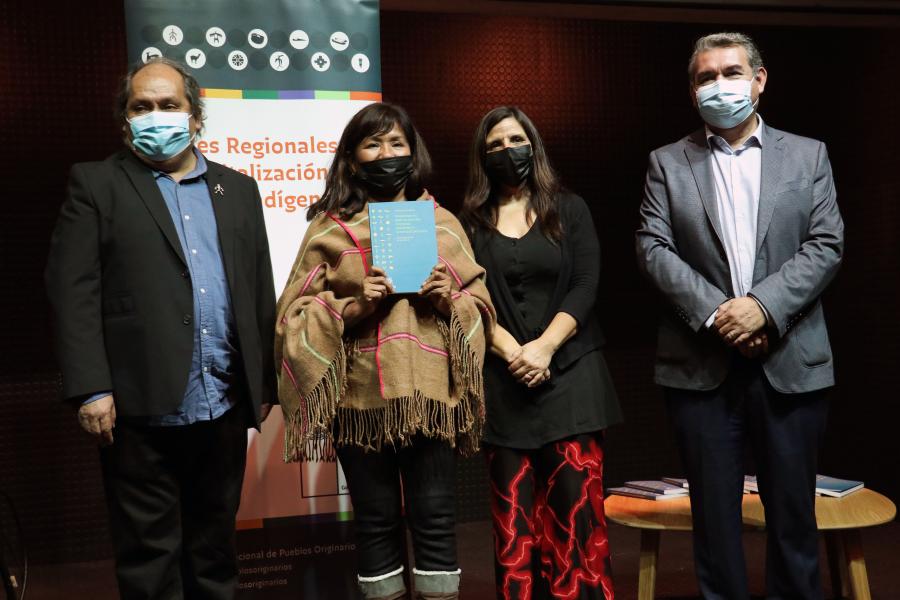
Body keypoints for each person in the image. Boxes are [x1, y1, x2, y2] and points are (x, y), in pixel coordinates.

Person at [44, 57, 277, 599]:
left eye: (169, 104)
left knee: (215, 551)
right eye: (141, 106)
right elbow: (71, 290)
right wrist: (91, 387)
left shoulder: (238, 188)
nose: (156, 115)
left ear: (195, 115)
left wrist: (263, 381)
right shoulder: (97, 183)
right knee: (150, 558)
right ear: (125, 119)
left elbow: (257, 289)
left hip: (221, 401)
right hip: (138, 405)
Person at [635, 32, 844, 600]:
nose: (719, 85)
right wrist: (721, 316)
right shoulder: (666, 163)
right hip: (702, 368)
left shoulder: (808, 155)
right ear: (692, 90)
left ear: (759, 79)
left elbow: (826, 244)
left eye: (731, 72)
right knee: (714, 527)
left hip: (790, 362)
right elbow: (652, 249)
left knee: (794, 521)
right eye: (706, 77)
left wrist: (763, 309)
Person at [275, 102, 495, 600]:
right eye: (373, 144)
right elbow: (292, 314)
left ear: (413, 154)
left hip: (432, 397)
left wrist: (448, 298)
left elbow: (481, 307)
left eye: (397, 143)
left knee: (435, 517)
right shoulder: (328, 228)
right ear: (352, 160)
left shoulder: (441, 222)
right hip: (359, 400)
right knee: (374, 521)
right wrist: (353, 307)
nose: (386, 153)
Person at [460, 106, 623, 600]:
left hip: (571, 380)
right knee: (514, 530)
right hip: (504, 385)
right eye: (494, 145)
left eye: (515, 140)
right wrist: (513, 351)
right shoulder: (468, 223)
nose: (506, 151)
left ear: (533, 144)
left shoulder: (569, 209)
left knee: (577, 524)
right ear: (482, 157)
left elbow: (586, 284)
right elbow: (464, 298)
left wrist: (545, 348)